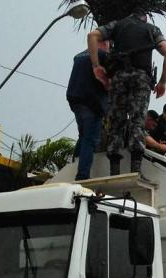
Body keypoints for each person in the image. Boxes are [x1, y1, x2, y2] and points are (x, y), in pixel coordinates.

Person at [88, 8, 166, 176]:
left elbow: (92, 36)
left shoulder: (117, 26)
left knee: (116, 123)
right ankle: (135, 170)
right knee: (137, 121)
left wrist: (96, 66)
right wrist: (163, 82)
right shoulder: (151, 29)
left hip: (118, 78)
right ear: (145, 17)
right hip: (141, 79)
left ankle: (114, 170)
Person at [66, 41, 109, 180]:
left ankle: (74, 166)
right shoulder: (102, 55)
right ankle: (82, 175)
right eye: (108, 44)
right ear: (103, 43)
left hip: (75, 99)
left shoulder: (79, 56)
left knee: (83, 135)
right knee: (90, 140)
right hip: (91, 102)